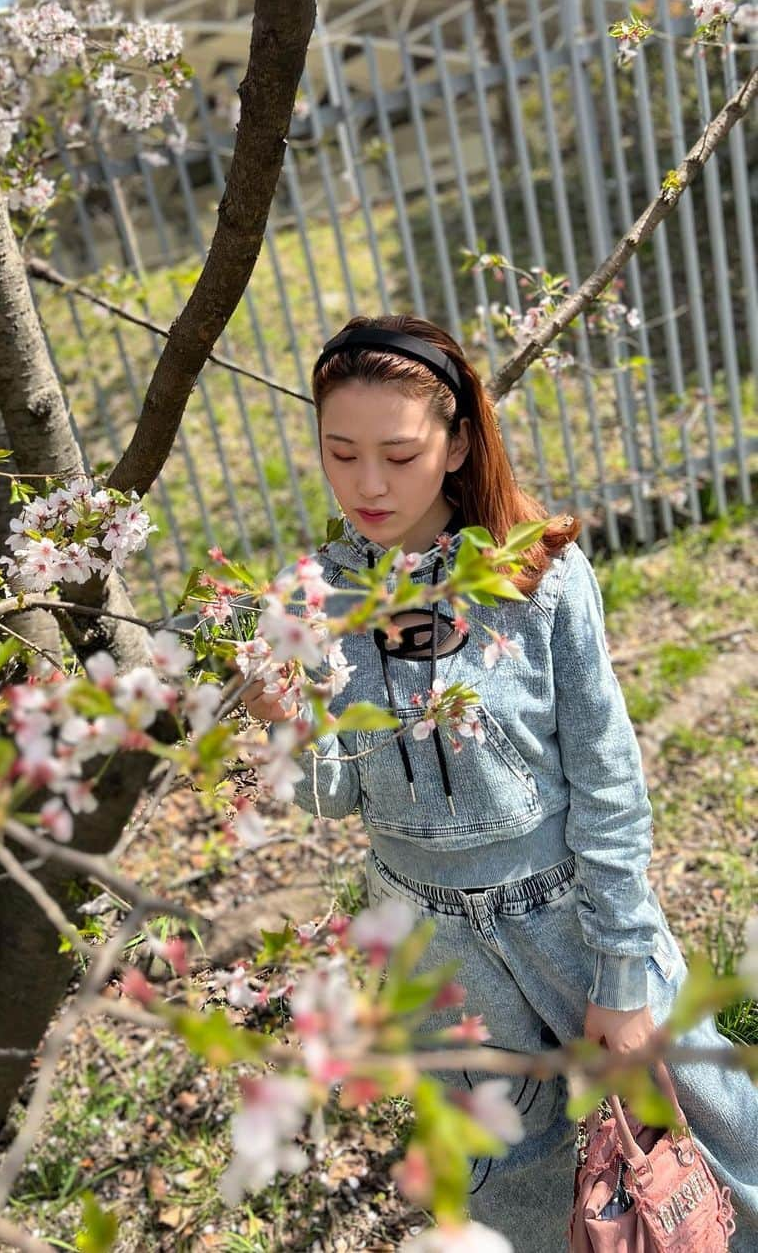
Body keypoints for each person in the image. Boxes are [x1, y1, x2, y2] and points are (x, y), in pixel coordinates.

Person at [242, 313, 757, 1252]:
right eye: (341, 452)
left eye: (398, 455)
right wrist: (283, 725)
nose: (367, 483)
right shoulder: (313, 597)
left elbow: (609, 782)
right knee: (509, 1178)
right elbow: (334, 794)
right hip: (433, 945)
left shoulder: (538, 577)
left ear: (458, 443)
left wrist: (624, 974)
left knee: (710, 1138)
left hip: (568, 912)